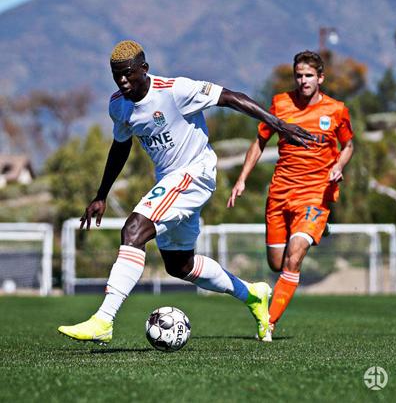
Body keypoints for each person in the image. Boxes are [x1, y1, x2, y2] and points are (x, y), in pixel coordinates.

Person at [58, 40, 315, 345]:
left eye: (128, 74)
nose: (123, 81)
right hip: (170, 181)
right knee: (179, 265)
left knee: (134, 229)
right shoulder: (119, 105)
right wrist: (102, 194)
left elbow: (231, 97)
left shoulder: (175, 90)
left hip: (196, 173)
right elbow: (121, 146)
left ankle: (103, 319)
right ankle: (253, 294)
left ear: (144, 68)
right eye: (117, 76)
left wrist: (278, 124)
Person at [227, 50, 354, 341]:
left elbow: (348, 145)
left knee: (293, 260)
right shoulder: (280, 104)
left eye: (309, 75)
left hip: (315, 194)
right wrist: (242, 179)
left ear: (320, 78)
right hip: (280, 192)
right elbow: (260, 141)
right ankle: (311, 233)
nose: (303, 80)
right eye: (299, 75)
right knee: (277, 262)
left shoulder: (336, 110)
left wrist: (338, 165)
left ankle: (268, 323)